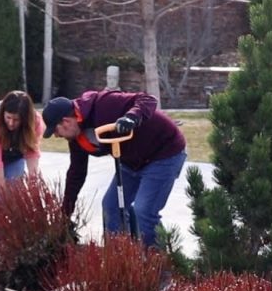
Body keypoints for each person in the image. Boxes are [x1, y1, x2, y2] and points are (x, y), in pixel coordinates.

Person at [42, 90, 186, 248]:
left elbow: (148, 99)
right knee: (111, 206)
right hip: (131, 162)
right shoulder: (77, 138)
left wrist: (132, 117)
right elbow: (76, 174)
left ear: (66, 121)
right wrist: (65, 213)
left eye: (55, 130)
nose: (56, 136)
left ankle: (157, 265)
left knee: (143, 210)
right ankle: (118, 259)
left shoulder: (104, 103)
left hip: (163, 152)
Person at [0, 90, 44, 193]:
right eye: (8, 117)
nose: (11, 123)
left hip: (15, 156)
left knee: (15, 193)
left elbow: (32, 152)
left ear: (25, 119)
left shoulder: (35, 120)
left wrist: (33, 184)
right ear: (3, 113)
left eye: (16, 120)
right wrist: (3, 193)